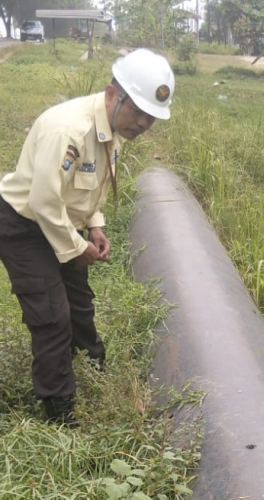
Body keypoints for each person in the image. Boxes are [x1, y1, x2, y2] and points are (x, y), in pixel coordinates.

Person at [0, 49, 174, 426]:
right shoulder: (69, 130)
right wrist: (76, 249)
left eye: (152, 119)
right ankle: (59, 409)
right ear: (113, 94)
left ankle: (92, 364)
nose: (143, 123)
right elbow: (43, 201)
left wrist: (94, 225)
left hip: (63, 221)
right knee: (52, 316)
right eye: (138, 112)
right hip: (25, 225)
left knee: (79, 301)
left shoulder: (113, 127)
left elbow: (89, 185)